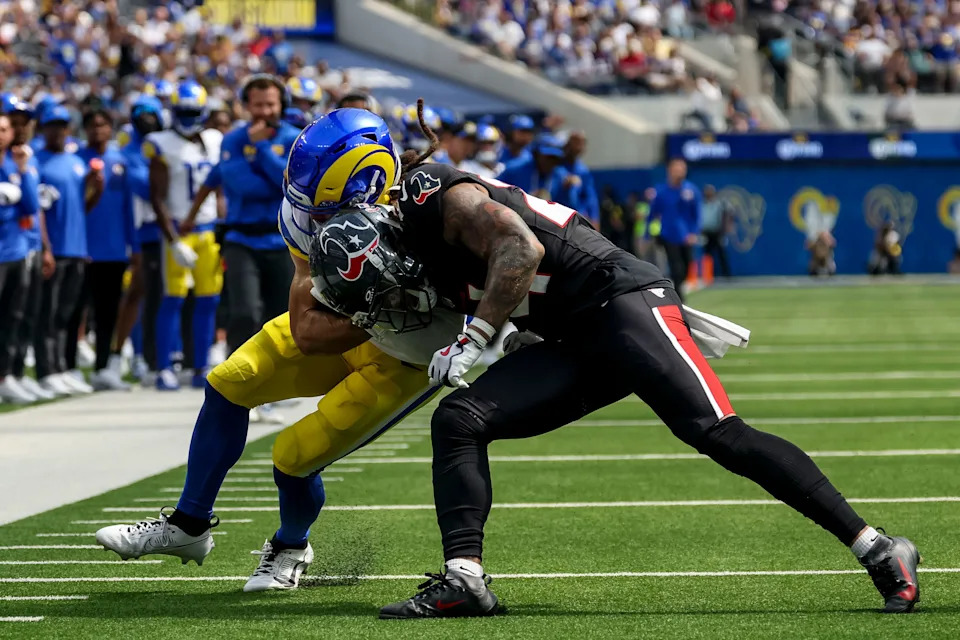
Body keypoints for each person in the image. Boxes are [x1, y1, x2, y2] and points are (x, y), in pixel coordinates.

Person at [296, 112, 917, 618]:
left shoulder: (442, 197)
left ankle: (880, 550)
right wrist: (504, 335)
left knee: (716, 433)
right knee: (460, 419)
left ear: (359, 179)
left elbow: (520, 248)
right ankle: (465, 578)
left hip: (618, 303)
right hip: (567, 333)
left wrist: (478, 335)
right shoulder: (395, 224)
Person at [95, 108, 465, 593]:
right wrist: (378, 303)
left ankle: (290, 546)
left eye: (323, 204)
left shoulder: (436, 210)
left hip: (408, 354)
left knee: (294, 455)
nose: (312, 213)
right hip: (341, 324)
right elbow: (306, 328)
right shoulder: (304, 213)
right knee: (231, 380)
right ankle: (188, 526)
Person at [144, 80, 223, 390]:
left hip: (209, 230)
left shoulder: (215, 139)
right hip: (179, 229)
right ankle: (165, 366)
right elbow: (157, 197)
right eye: (183, 111)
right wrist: (173, 240)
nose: (189, 117)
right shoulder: (161, 143)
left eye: (193, 111)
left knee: (208, 300)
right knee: (173, 299)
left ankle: (201, 365)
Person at [218, 75, 301, 360]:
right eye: (258, 105)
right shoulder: (232, 140)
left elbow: (292, 182)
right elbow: (243, 185)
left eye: (270, 104)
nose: (265, 112)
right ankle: (235, 376)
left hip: (282, 240)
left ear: (282, 105)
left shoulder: (294, 138)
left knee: (282, 315)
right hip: (241, 239)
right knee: (245, 312)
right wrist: (274, 174)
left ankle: (279, 382)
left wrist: (261, 150)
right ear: (246, 107)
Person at [35, 105, 104, 396]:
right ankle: (47, 370)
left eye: (62, 125)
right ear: (43, 128)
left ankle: (62, 368)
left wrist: (95, 188)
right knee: (48, 314)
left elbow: (80, 208)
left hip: (76, 247)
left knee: (67, 314)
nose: (58, 130)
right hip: (55, 249)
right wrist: (45, 247)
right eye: (52, 125)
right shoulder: (38, 161)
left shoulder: (76, 162)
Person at [75, 107, 137, 391]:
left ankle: (102, 367)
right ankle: (68, 367)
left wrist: (132, 246)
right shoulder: (77, 160)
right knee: (75, 311)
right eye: (92, 125)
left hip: (113, 251)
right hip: (81, 248)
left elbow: (127, 209)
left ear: (110, 129)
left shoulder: (119, 163)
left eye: (103, 125)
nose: (98, 130)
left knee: (107, 313)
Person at [2, 95, 51, 401]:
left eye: (23, 122)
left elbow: (31, 207)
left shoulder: (23, 158)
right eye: (12, 122)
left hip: (21, 247)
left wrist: (22, 172)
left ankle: (11, 373)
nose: (18, 129)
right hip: (9, 247)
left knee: (18, 315)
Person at [114, 95, 164, 381]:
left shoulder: (161, 146)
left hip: (164, 230)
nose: (147, 119)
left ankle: (158, 355)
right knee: (139, 293)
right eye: (141, 113)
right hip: (140, 232)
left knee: (162, 296)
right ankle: (137, 355)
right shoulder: (129, 151)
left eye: (151, 113)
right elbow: (146, 188)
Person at [649, 158, 701, 301]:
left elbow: (696, 213)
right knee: (676, 266)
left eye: (682, 169)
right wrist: (649, 234)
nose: (680, 172)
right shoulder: (661, 191)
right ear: (670, 171)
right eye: (677, 169)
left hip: (686, 235)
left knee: (687, 265)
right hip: (668, 234)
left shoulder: (691, 190)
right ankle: (678, 296)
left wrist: (694, 232)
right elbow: (652, 213)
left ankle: (678, 289)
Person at [496, 132, 564, 200]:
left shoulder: (559, 176)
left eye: (555, 158)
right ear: (536, 154)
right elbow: (494, 189)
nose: (550, 162)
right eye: (547, 157)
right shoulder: (515, 169)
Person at [554, 131, 599, 227]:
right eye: (575, 143)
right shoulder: (555, 167)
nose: (578, 147)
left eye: (582, 144)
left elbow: (590, 198)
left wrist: (594, 218)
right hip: (556, 218)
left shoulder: (583, 170)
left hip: (576, 221)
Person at [700, 184, 731, 278]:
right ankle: (708, 275)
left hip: (717, 232)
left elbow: (727, 214)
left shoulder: (719, 204)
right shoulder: (701, 204)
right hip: (706, 232)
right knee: (707, 255)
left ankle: (726, 275)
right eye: (707, 192)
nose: (708, 193)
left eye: (710, 191)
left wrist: (725, 228)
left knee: (721, 254)